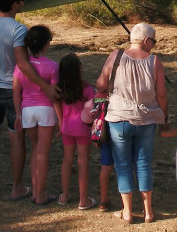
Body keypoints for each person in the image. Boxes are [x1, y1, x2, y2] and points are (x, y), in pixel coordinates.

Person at [0, 0, 58, 201]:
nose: (23, 2)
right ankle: (17, 188)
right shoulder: (18, 30)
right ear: (14, 4)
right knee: (16, 139)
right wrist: (44, 85)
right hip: (11, 90)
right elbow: (23, 64)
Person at [95, 22, 167, 224]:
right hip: (146, 119)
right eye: (153, 40)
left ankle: (127, 212)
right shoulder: (154, 62)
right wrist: (164, 116)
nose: (154, 44)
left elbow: (101, 84)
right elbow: (161, 94)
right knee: (144, 164)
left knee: (123, 164)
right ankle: (148, 211)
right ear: (146, 40)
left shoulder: (116, 56)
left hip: (119, 118)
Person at [12, 25, 59, 206]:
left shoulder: (21, 67)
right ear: (46, 44)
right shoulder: (52, 66)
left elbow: (16, 91)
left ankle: (35, 190)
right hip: (45, 110)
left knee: (34, 149)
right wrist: (60, 119)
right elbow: (54, 95)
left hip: (27, 110)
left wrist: (18, 113)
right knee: (43, 153)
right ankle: (41, 194)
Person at [53, 53, 97, 210]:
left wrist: (61, 122)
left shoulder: (60, 88)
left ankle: (64, 195)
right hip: (83, 128)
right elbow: (95, 108)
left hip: (67, 128)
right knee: (83, 162)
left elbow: (55, 103)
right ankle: (83, 199)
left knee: (67, 160)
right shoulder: (86, 89)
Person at [80, 91, 116, 212]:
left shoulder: (99, 97)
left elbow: (89, 114)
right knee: (123, 166)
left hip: (104, 133)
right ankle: (126, 201)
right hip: (120, 130)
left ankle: (103, 198)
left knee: (105, 167)